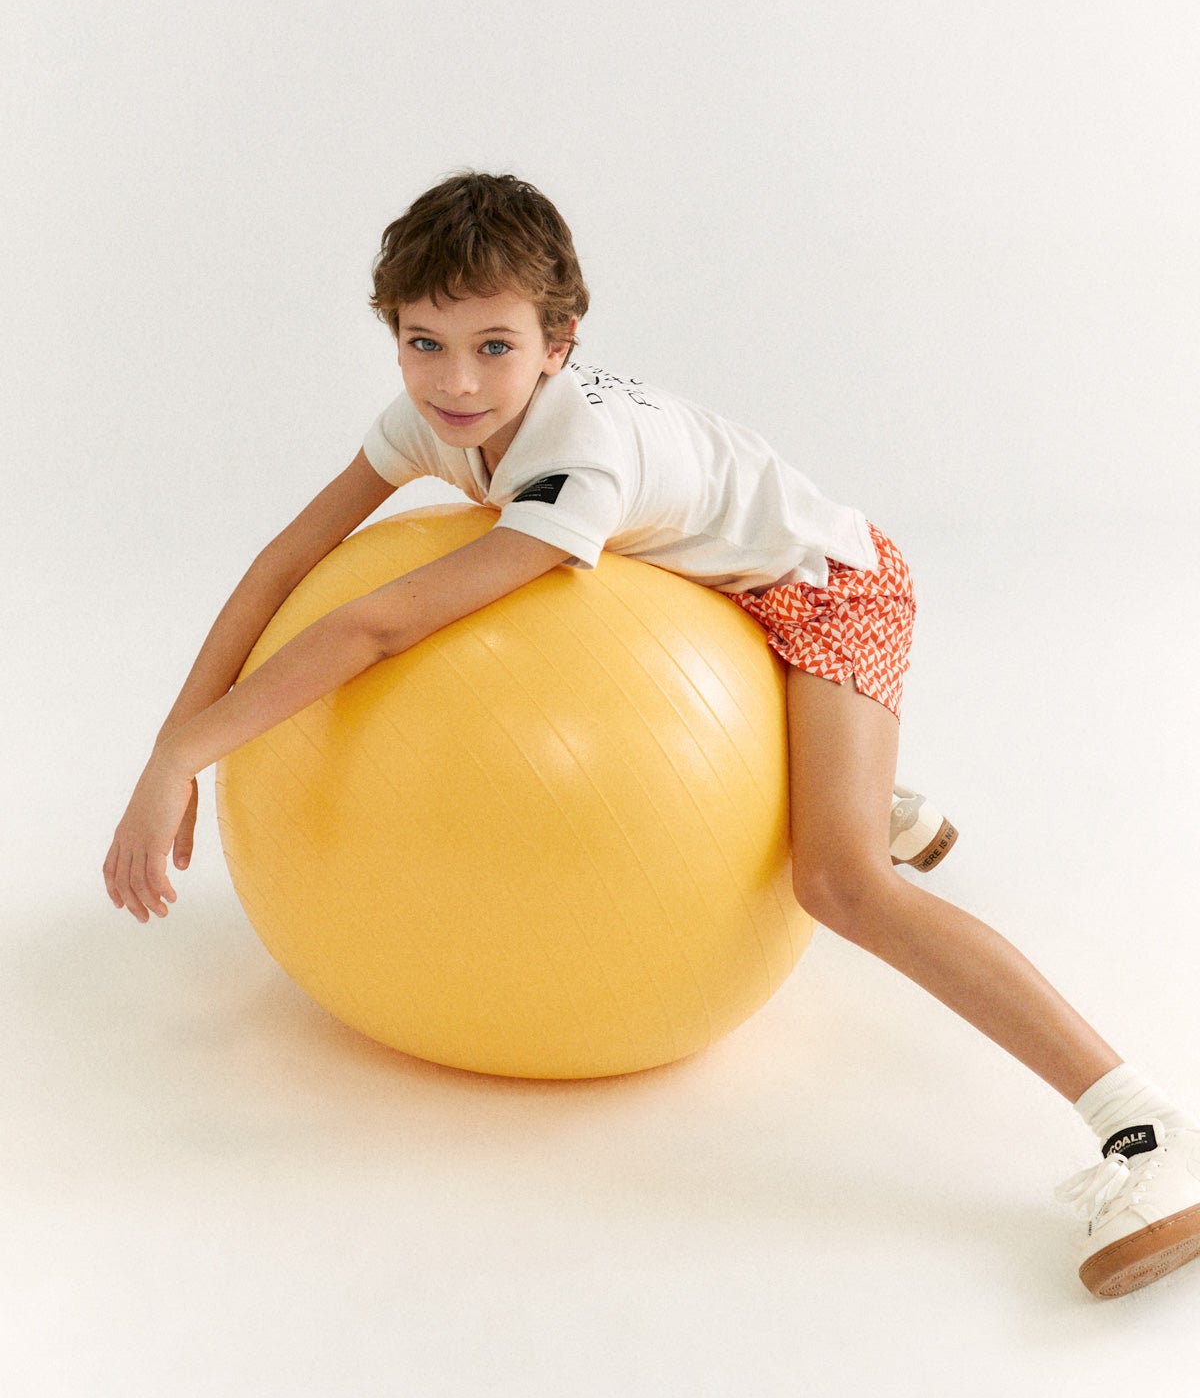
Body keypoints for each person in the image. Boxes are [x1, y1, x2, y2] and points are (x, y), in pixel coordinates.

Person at [103, 169, 1200, 1301]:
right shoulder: (433, 422)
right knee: (815, 823)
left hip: (824, 590)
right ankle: (860, 792)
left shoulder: (581, 468)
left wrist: (191, 754)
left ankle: (1142, 1125)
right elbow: (283, 565)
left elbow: (380, 623)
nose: (457, 383)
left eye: (494, 346)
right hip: (701, 592)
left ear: (560, 340)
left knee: (840, 883)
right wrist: (167, 740)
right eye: (424, 344)